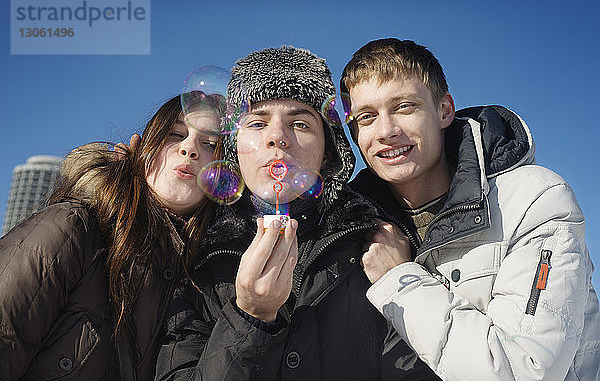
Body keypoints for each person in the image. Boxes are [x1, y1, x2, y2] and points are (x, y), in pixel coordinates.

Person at [155, 46, 439, 380]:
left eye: (300, 124)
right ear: (234, 150)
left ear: (328, 152)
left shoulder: (382, 244)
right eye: (258, 123)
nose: (277, 137)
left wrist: (398, 279)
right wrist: (249, 317)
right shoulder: (193, 258)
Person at [340, 38, 600, 380]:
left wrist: (399, 280)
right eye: (367, 117)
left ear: (444, 110)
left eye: (404, 107)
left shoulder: (534, 200)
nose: (386, 131)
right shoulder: (349, 229)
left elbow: (525, 371)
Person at [0, 95, 220, 380]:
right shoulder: (71, 228)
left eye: (210, 144)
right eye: (174, 134)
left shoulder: (199, 284)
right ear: (141, 150)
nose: (189, 149)